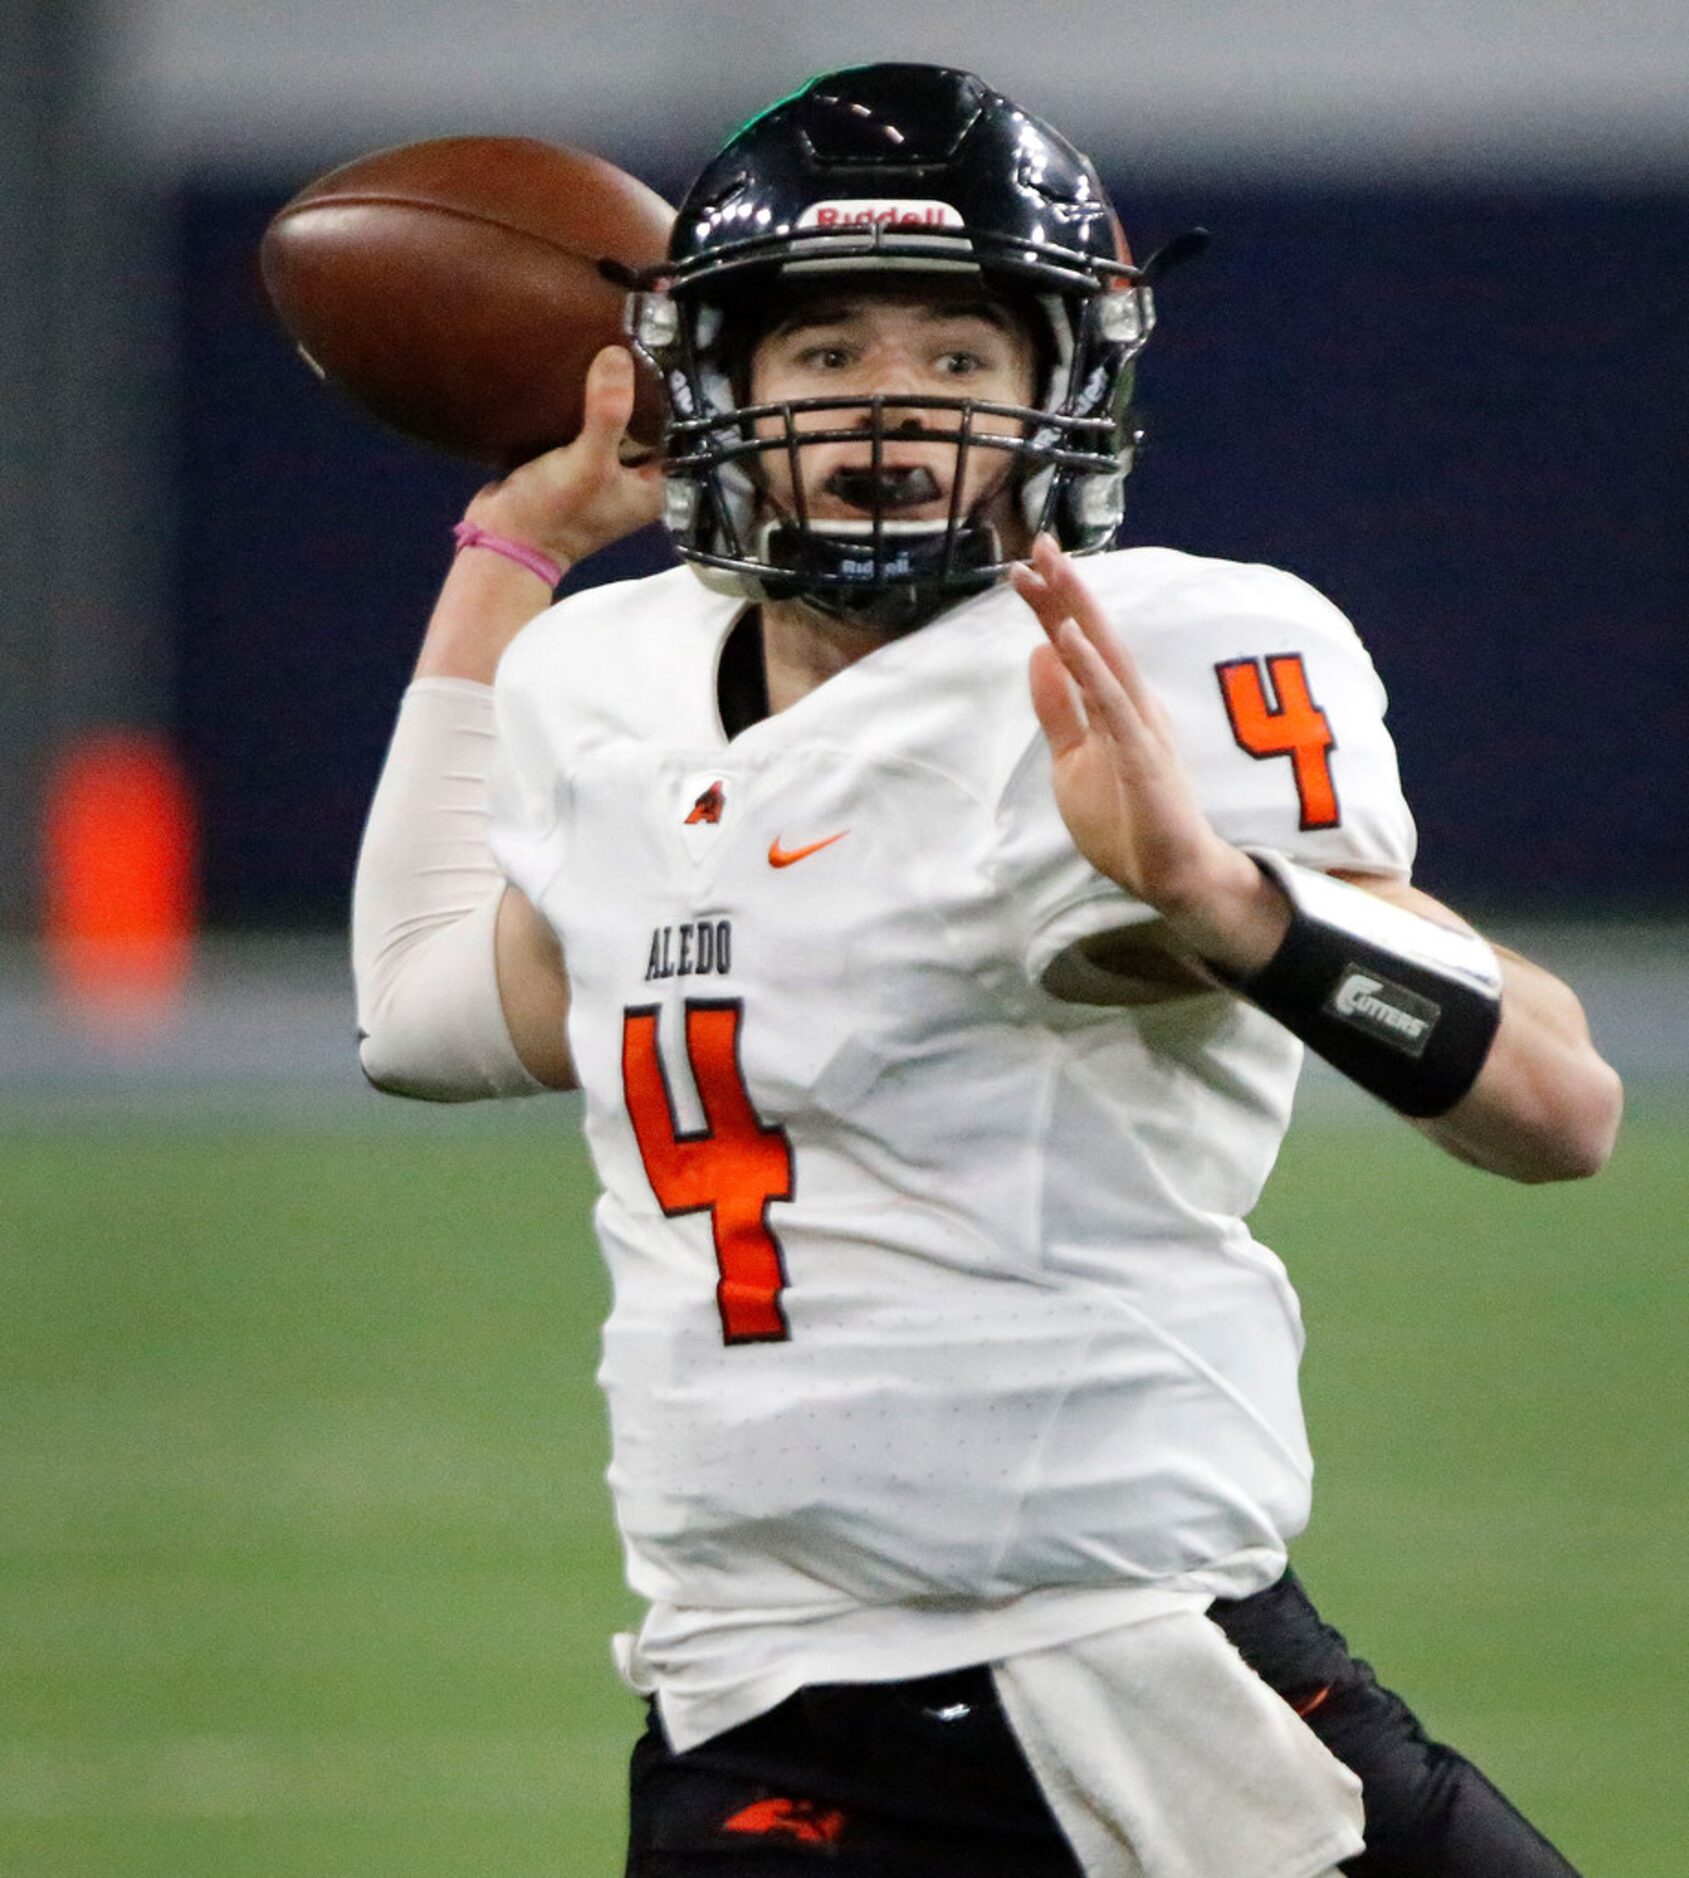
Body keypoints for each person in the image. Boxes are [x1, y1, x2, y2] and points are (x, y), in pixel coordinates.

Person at [351, 63, 1622, 1878]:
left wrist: (1221, 897)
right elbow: (418, 1009)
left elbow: (1558, 1109)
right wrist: (519, 552)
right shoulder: (603, 675)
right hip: (757, 1699)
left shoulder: (1158, 657)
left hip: (1137, 1680)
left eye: (957, 363)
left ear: (1061, 397)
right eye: (824, 358)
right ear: (713, 391)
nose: (888, 414)